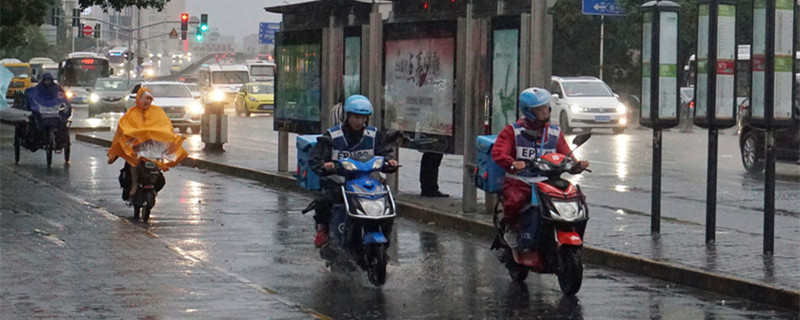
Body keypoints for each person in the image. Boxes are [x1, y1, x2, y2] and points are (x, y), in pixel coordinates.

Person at [491, 87, 589, 247]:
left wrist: (576, 165)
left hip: (548, 182)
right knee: (515, 201)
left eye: (545, 107)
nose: (544, 111)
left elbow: (566, 154)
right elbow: (498, 152)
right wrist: (512, 163)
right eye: (539, 108)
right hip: (520, 181)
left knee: (577, 198)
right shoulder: (513, 131)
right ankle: (511, 228)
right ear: (528, 111)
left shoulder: (555, 133)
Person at [308, 95, 398, 247]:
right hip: (339, 183)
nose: (359, 121)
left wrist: (390, 161)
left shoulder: (374, 135)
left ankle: (384, 233)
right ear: (347, 116)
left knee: (388, 201)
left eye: (363, 118)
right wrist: (325, 166)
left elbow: (385, 152)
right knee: (324, 200)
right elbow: (316, 158)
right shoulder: (332, 136)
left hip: (366, 184)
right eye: (356, 117)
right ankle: (323, 229)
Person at [107, 87, 188, 199]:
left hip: (153, 148)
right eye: (144, 98)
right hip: (137, 148)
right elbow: (124, 129)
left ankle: (153, 184)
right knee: (133, 163)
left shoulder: (158, 112)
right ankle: (134, 184)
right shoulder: (131, 113)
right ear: (138, 99)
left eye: (149, 99)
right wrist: (134, 136)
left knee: (157, 167)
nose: (146, 101)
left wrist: (166, 137)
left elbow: (166, 126)